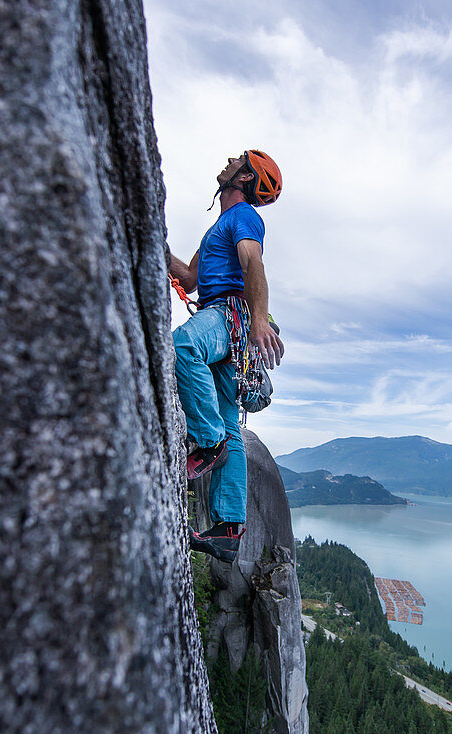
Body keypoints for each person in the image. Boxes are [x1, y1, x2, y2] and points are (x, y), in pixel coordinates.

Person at [169, 150, 285, 562]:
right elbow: (190, 279)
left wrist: (257, 320)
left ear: (245, 177)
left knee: (184, 345)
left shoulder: (245, 218)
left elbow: (253, 263)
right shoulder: (217, 227)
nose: (229, 160)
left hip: (228, 315)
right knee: (228, 422)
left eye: (238, 159)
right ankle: (229, 528)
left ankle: (207, 443)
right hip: (223, 317)